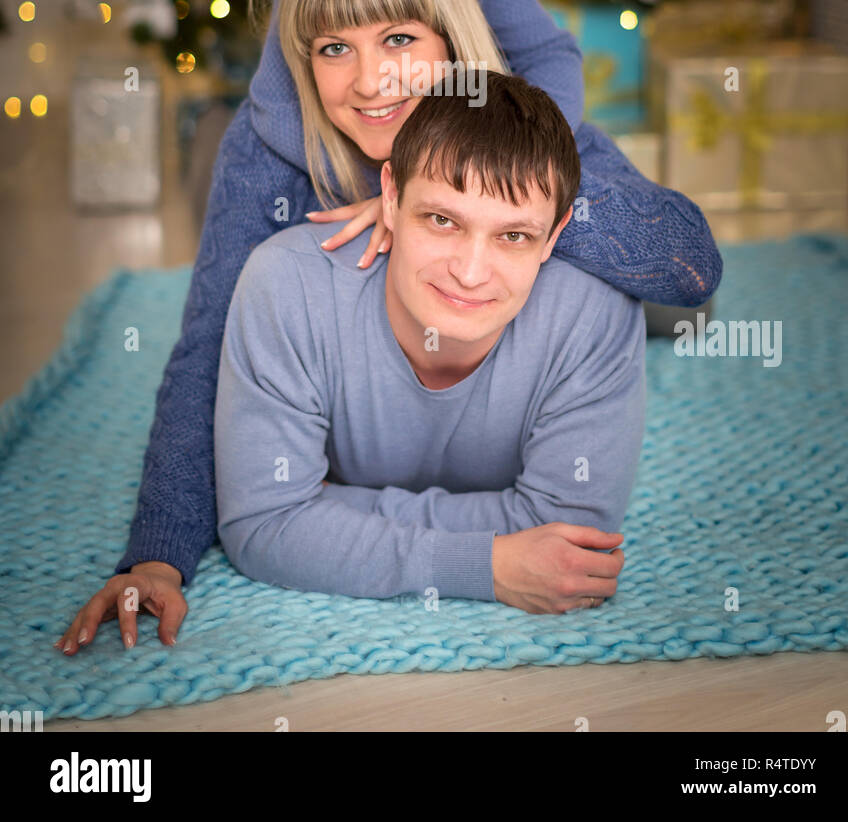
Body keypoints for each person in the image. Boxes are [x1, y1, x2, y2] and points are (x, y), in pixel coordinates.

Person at [55, 0, 721, 655]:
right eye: (336, 49)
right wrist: (160, 559)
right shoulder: (272, 157)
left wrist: (500, 202)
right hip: (355, 381)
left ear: (450, 42)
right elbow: (206, 351)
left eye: (402, 40)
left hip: (576, 311)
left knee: (646, 308)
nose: (372, 81)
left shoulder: (517, 117)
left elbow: (691, 271)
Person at [214, 72, 645, 613]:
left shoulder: (595, 308)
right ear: (390, 197)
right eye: (442, 220)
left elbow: (571, 539)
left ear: (553, 237)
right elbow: (262, 524)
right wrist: (487, 565)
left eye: (514, 236)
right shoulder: (286, 283)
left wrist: (326, 511)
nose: (469, 272)